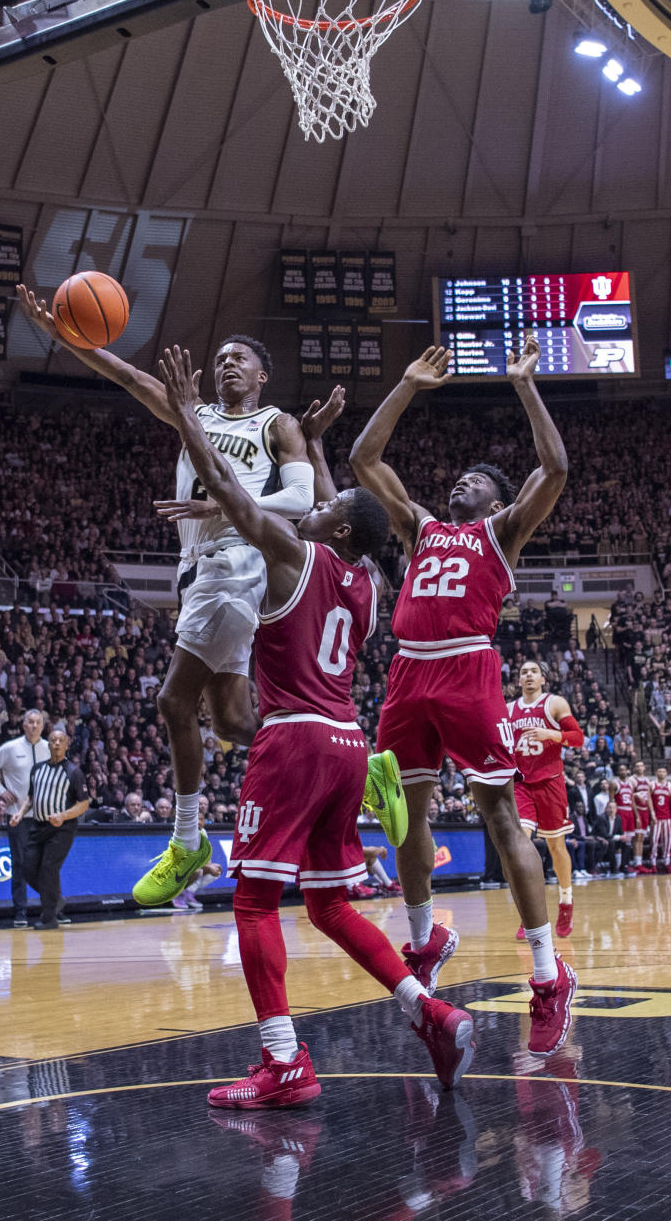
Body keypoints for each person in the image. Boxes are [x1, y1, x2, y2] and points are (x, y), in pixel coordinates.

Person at [155, 344, 474, 1108]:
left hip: (295, 737)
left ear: (329, 530)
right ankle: (427, 1010)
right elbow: (345, 507)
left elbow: (233, 492)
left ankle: (284, 1062)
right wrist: (321, 448)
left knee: (255, 902)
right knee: (329, 905)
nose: (312, 505)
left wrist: (185, 418)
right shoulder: (364, 582)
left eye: (321, 510)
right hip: (348, 744)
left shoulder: (292, 554)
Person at [17, 287, 402, 898]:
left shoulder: (276, 424)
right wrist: (65, 331)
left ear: (261, 376)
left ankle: (187, 839)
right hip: (199, 566)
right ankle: (366, 772)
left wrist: (218, 504)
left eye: (238, 359)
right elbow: (121, 372)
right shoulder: (191, 414)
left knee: (174, 704)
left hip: (241, 562)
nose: (226, 363)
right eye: (219, 357)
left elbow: (303, 503)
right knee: (231, 719)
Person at [350, 338, 577, 1057]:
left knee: (502, 815)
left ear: (496, 499)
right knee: (402, 817)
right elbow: (363, 460)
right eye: (456, 480)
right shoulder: (420, 526)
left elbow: (557, 468)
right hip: (409, 673)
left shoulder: (501, 531)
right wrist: (409, 385)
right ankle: (425, 941)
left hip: (469, 670)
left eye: (472, 481)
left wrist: (523, 385)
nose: (458, 485)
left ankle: (547, 973)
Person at [508, 660, 585, 939]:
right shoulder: (508, 710)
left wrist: (551, 734)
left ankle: (565, 901)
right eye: (523, 672)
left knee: (556, 847)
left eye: (533, 671)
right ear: (518, 680)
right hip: (522, 786)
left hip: (551, 783)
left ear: (543, 678)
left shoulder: (555, 704)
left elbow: (578, 738)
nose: (528, 675)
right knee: (520, 846)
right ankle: (530, 913)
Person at [12, 729, 89, 929]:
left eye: (60, 741)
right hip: (38, 826)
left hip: (62, 828)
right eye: (53, 740)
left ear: (66, 745)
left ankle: (49, 918)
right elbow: (31, 798)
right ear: (48, 744)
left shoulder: (73, 772)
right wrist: (20, 813)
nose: (55, 744)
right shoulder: (37, 769)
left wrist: (63, 815)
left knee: (48, 869)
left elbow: (83, 804)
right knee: (28, 869)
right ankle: (56, 900)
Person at [0, 708, 51, 927]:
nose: (33, 726)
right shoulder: (11, 748)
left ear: (43, 726)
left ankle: (50, 910)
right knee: (20, 865)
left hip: (44, 816)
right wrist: (1, 791)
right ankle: (20, 911)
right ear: (23, 725)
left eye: (37, 723)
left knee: (47, 864)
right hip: (17, 817)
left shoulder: (50, 748)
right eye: (29, 722)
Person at [649, 766, 671, 871]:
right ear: (656, 773)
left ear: (666, 773)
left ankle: (667, 862)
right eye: (659, 771)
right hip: (656, 817)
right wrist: (652, 813)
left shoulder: (670, 786)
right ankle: (653, 863)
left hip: (667, 817)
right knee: (654, 840)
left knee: (668, 840)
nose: (661, 773)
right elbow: (649, 800)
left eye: (663, 771)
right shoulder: (652, 784)